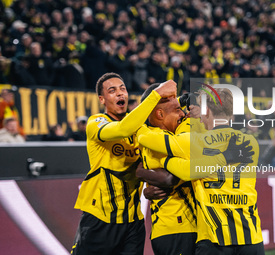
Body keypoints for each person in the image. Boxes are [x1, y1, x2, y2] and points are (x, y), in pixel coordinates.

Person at [136, 88, 264, 255]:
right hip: (251, 235)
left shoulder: (195, 142)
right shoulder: (250, 142)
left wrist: (162, 161)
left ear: (207, 111)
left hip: (214, 237)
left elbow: (144, 138)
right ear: (232, 115)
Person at [71, 73, 176, 255]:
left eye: (123, 89)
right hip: (100, 218)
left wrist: (149, 187)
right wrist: (156, 94)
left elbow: (148, 165)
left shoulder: (141, 130)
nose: (120, 94)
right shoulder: (96, 123)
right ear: (102, 99)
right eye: (112, 91)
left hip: (133, 222)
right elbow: (122, 129)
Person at [136, 84, 196, 255]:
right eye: (177, 109)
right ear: (160, 114)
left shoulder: (159, 137)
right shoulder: (157, 139)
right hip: (177, 228)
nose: (183, 114)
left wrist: (141, 172)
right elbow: (169, 178)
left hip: (176, 228)